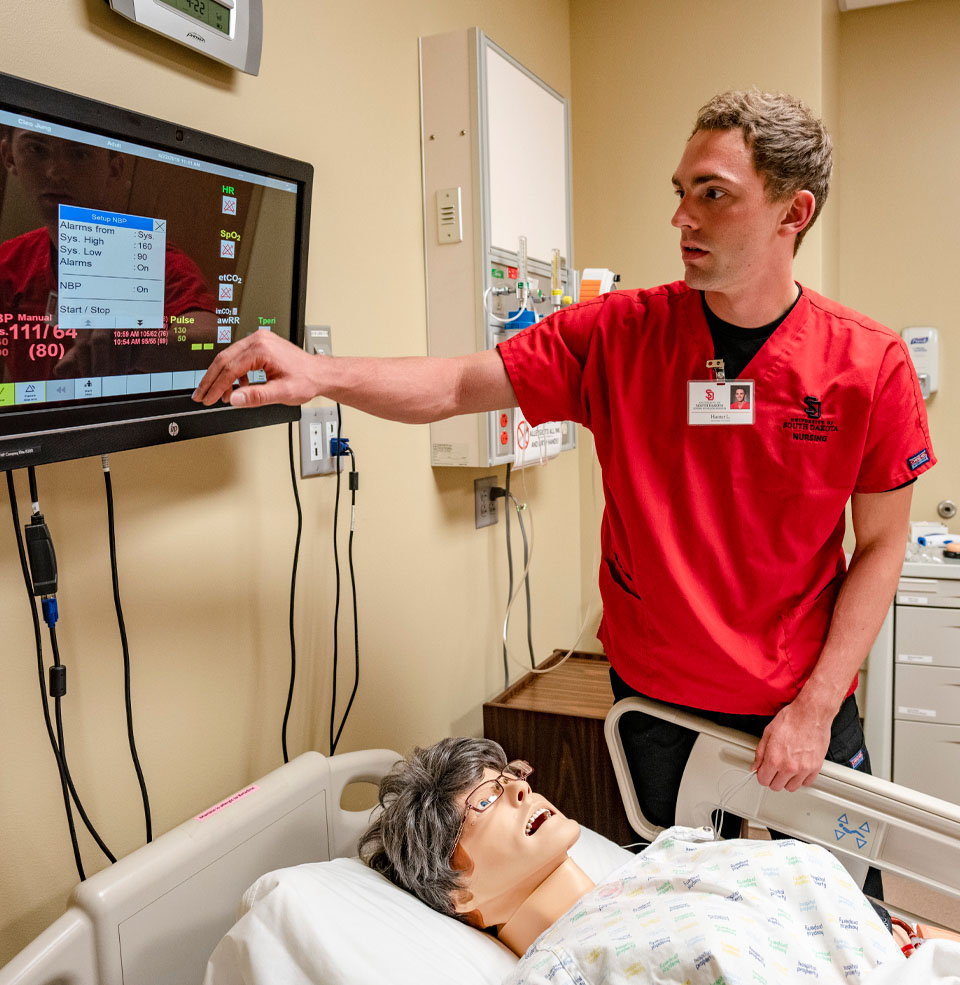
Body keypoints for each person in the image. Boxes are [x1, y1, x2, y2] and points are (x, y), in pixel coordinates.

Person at [193, 90, 935, 862]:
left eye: (713, 194)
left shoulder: (867, 364)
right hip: (659, 703)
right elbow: (453, 384)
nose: (682, 216)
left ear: (793, 211)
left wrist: (816, 707)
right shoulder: (621, 334)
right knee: (677, 912)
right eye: (680, 192)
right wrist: (320, 373)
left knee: (846, 917)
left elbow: (881, 545)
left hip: (799, 695)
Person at [358, 736, 907, 982]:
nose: (521, 792)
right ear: (457, 892)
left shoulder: (667, 854)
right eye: (485, 800)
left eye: (510, 778)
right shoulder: (564, 970)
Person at [0, 126, 216, 382]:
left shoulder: (156, 260)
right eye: (36, 149)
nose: (55, 173)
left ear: (114, 168)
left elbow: (212, 343)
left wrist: (139, 342)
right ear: (9, 156)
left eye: (80, 154)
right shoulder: (7, 260)